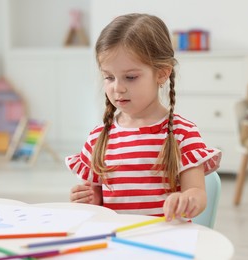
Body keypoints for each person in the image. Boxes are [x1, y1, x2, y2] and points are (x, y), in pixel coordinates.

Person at [66, 13, 221, 221]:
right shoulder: (98, 138)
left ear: (162, 73)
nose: (117, 88)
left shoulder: (183, 134)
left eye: (130, 77)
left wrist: (188, 200)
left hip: (165, 242)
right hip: (118, 244)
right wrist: (89, 198)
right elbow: (98, 198)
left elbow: (198, 193)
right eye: (109, 77)